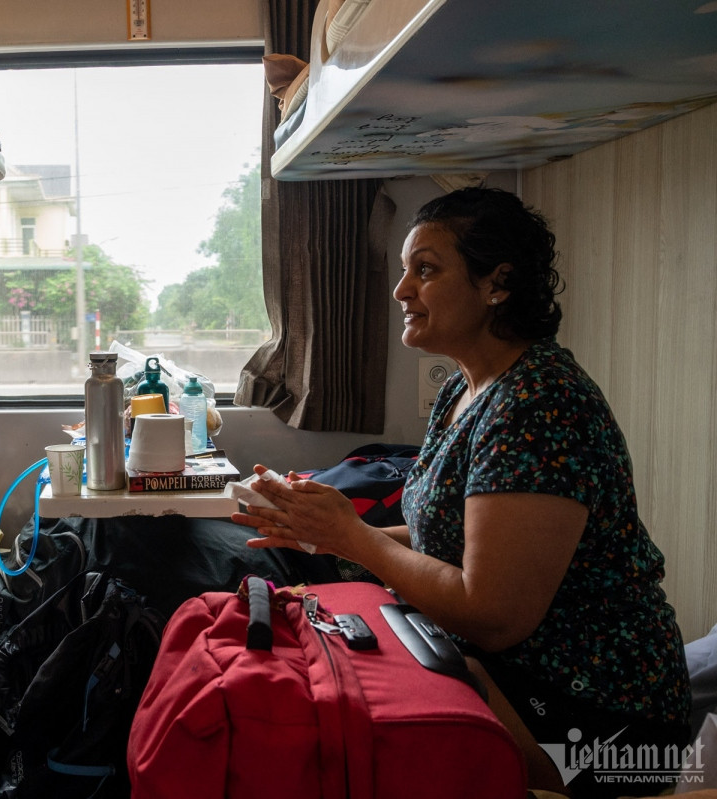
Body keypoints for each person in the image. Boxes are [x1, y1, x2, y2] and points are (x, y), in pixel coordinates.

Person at [233, 187, 691, 797]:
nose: (401, 292)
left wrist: (356, 538)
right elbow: (450, 540)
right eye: (404, 272)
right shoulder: (466, 391)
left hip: (601, 716)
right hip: (510, 671)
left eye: (426, 270)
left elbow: (492, 615)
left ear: (496, 283)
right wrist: (323, 533)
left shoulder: (541, 404)